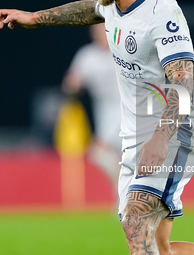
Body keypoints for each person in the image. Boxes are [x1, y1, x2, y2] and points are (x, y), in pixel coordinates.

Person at [0, 1, 194, 254]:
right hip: (134, 140)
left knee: (135, 221)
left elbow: (183, 81)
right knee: (159, 248)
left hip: (171, 134)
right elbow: (90, 10)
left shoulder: (161, 10)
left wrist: (161, 137)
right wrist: (34, 18)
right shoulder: (109, 5)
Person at [63, 23, 122, 186]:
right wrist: (72, 85)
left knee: (99, 150)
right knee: (104, 155)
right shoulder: (87, 56)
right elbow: (72, 80)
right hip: (103, 112)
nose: (101, 33)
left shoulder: (124, 51)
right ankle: (124, 193)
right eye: (97, 30)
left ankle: (127, 188)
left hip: (127, 108)